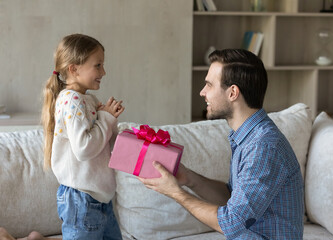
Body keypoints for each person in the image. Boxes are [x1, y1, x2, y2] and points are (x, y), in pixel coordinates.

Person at [138, 49, 304, 239]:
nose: (202, 92)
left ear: (233, 92)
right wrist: (189, 178)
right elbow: (232, 198)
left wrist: (176, 192)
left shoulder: (263, 146)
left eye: (209, 85)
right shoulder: (247, 137)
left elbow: (232, 223)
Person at [41, 33, 124, 239]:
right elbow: (84, 148)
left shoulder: (86, 100)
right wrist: (105, 119)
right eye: (98, 65)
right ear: (74, 69)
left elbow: (100, 144)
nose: (103, 71)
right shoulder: (72, 100)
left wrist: (109, 122)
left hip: (99, 199)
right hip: (82, 199)